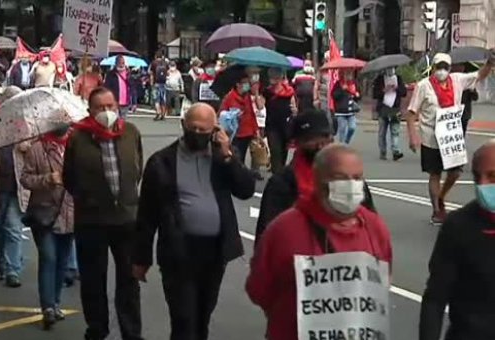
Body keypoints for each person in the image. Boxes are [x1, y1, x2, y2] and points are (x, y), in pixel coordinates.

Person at [132, 103, 255, 340]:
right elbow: (147, 214)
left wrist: (228, 155)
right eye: (193, 129)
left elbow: (245, 189)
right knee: (184, 321)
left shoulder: (222, 156)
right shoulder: (162, 161)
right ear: (183, 125)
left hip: (215, 251)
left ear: (215, 130)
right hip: (179, 251)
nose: (198, 135)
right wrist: (141, 258)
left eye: (204, 131)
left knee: (202, 319)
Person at [246, 144, 393, 340]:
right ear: (319, 180)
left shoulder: (374, 227)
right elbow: (259, 288)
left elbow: (384, 277)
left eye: (357, 178)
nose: (351, 185)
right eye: (341, 178)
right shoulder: (284, 229)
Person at [63, 87, 143, 340]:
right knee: (93, 281)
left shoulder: (131, 133)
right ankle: (97, 329)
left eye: (111, 106)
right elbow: (69, 177)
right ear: (90, 110)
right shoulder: (78, 136)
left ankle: (131, 332)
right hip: (92, 221)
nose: (107, 112)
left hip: (127, 220)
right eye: (100, 107)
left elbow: (137, 168)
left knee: (129, 282)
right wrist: (88, 198)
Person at [255, 111, 376, 243]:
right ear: (298, 143)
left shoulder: (349, 177)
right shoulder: (283, 182)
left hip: (349, 251)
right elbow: (267, 235)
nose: (320, 144)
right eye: (312, 139)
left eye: (325, 137)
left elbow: (371, 224)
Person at [406, 51, 494, 225]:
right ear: (433, 68)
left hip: (450, 136)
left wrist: (490, 63)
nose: (442, 71)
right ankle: (437, 211)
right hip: (430, 136)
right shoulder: (424, 86)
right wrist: (413, 135)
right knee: (435, 173)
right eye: (438, 67)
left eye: (445, 67)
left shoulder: (457, 80)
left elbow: (479, 75)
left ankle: (441, 196)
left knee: (455, 172)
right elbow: (411, 113)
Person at [420, 140, 495, 340]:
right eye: (477, 178)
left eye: (492, 176)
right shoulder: (459, 225)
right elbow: (435, 299)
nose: (483, 185)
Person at [21, 122, 75, 329]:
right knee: (49, 257)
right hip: (44, 213)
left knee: (62, 260)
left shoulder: (76, 145)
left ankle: (56, 301)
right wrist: (47, 179)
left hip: (69, 212)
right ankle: (48, 307)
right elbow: (25, 179)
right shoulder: (37, 148)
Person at [0, 86, 30, 288]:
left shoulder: (26, 126)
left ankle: (13, 270)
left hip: (18, 185)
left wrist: (28, 147)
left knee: (12, 226)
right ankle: (1, 262)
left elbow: (36, 153)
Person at [220, 72, 261, 168]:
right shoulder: (229, 97)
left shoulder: (247, 96)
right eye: (245, 82)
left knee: (243, 157)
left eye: (248, 82)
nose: (247, 85)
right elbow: (222, 114)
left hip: (248, 132)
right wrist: (232, 116)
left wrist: (256, 130)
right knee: (237, 157)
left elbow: (252, 113)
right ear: (238, 84)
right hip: (236, 134)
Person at [263, 68, 296, 173]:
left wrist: (294, 110)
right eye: (271, 76)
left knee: (283, 153)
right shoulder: (267, 92)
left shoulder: (289, 92)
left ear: (280, 78)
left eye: (275, 76)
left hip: (285, 127)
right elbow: (260, 106)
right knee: (275, 152)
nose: (272, 79)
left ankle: (280, 174)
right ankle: (277, 177)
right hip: (271, 127)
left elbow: (294, 109)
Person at [373, 67, 407, 161]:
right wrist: (383, 90)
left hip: (395, 109)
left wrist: (397, 88)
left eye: (392, 68)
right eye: (388, 69)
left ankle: (396, 151)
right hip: (383, 109)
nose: (390, 70)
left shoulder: (398, 78)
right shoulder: (380, 79)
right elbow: (375, 94)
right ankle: (383, 151)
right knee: (382, 132)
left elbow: (404, 92)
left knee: (395, 131)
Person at [331, 69, 361, 144]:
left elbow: (358, 95)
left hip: (351, 110)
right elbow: (334, 95)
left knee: (352, 127)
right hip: (341, 111)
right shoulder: (338, 84)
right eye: (346, 74)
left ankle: (347, 140)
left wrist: (357, 95)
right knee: (342, 129)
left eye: (349, 74)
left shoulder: (353, 84)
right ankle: (342, 145)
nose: (348, 76)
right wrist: (342, 90)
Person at [451, 63, 479, 135]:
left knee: (462, 132)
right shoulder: (451, 80)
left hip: (465, 113)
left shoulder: (468, 82)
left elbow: (475, 97)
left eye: (461, 66)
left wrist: (472, 90)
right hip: (453, 112)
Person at [150, 53, 169, 120]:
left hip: (156, 83)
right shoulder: (165, 63)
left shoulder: (153, 63)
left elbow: (151, 74)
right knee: (163, 99)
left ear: (156, 56)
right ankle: (163, 114)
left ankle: (158, 112)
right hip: (163, 83)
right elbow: (168, 73)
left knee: (156, 99)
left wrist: (151, 82)